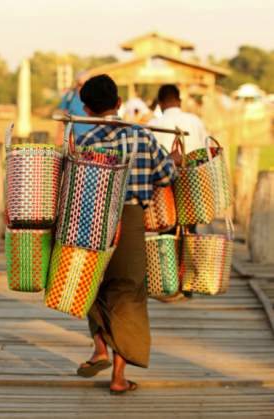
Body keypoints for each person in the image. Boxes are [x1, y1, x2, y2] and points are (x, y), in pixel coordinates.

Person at [74, 75, 182, 395]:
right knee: (129, 293)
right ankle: (119, 378)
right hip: (132, 218)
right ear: (119, 104)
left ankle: (99, 347)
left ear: (86, 109)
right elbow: (165, 175)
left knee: (90, 284)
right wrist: (174, 158)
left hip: (93, 219)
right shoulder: (142, 135)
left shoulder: (86, 141)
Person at [148, 84, 208, 154]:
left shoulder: (152, 125)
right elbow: (207, 148)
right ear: (179, 101)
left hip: (166, 164)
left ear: (159, 104)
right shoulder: (195, 120)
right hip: (197, 164)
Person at [56, 70, 94, 146]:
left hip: (92, 139)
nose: (82, 87)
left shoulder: (94, 97)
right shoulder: (69, 96)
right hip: (73, 140)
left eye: (85, 84)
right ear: (76, 83)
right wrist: (59, 137)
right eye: (80, 84)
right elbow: (62, 118)